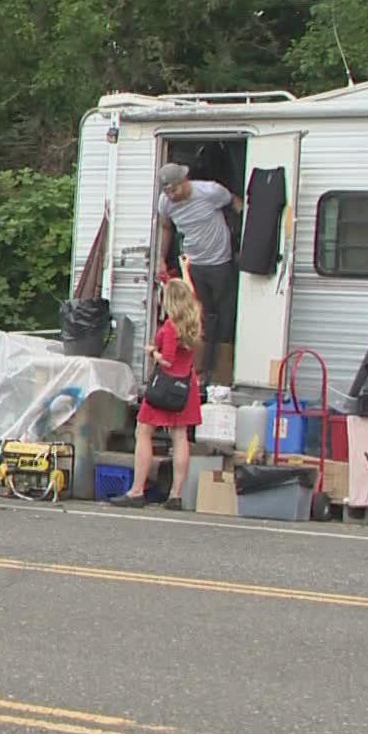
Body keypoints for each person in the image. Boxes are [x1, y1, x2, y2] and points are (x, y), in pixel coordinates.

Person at [112, 278, 204, 510]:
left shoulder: (171, 328)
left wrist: (153, 352)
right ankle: (176, 495)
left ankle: (136, 490)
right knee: (180, 437)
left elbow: (168, 361)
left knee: (143, 431)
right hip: (185, 387)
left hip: (165, 386)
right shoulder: (193, 323)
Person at [154, 162, 240, 380]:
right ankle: (198, 373)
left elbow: (236, 203)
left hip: (220, 261)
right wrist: (161, 259)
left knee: (225, 315)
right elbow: (166, 227)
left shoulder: (210, 191)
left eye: (174, 189)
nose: (171, 195)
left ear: (185, 181)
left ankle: (223, 374)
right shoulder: (165, 203)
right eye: (167, 191)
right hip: (192, 264)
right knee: (199, 316)